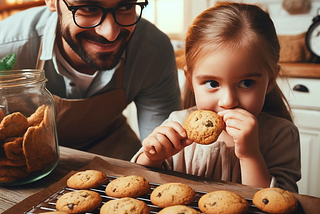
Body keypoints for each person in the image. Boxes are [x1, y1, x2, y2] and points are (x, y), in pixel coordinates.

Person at [133, 2, 301, 192]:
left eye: (246, 83)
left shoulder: (280, 135)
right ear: (190, 80)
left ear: (270, 81)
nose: (228, 101)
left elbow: (279, 202)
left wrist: (250, 155)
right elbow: (137, 182)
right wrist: (152, 156)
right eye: (212, 84)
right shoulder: (177, 123)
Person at [0, 0, 182, 160]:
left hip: (116, 154)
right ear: (52, 1)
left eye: (126, 6)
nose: (109, 33)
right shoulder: (6, 46)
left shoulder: (153, 50)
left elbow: (165, 152)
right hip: (30, 164)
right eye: (88, 8)